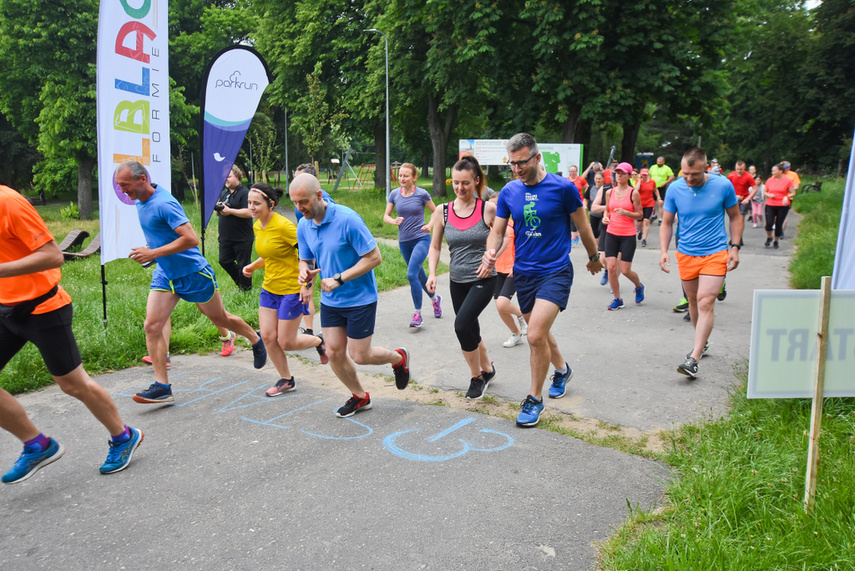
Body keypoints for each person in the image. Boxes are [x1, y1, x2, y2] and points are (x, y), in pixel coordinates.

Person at [0, 186, 143, 483]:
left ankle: (124, 436)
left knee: (74, 385)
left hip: (44, 307)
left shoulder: (8, 203)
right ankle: (37, 445)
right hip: (5, 309)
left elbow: (53, 256)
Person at [115, 161, 268, 404]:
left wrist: (153, 253)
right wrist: (153, 251)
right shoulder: (140, 199)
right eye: (119, 186)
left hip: (193, 273)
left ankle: (255, 339)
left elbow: (191, 239)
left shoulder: (164, 203)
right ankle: (162, 386)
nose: (122, 190)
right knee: (152, 326)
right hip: (166, 273)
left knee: (221, 319)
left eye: (125, 185)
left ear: (142, 179)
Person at [478, 133, 604, 427]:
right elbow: (497, 230)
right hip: (525, 273)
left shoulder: (563, 188)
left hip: (555, 271)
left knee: (534, 335)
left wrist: (594, 257)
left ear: (537, 157)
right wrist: (490, 253)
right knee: (541, 333)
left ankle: (534, 399)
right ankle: (562, 370)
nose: (517, 169)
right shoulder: (509, 192)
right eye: (512, 164)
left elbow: (583, 226)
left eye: (522, 162)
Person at [289, 173, 410, 417]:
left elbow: (375, 257)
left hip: (360, 298)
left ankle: (398, 359)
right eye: (295, 202)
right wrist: (305, 275)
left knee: (360, 355)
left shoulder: (348, 220)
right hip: (331, 300)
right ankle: (360, 396)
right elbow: (305, 258)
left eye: (303, 202)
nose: (299, 208)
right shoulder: (304, 224)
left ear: (319, 196)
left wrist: (340, 278)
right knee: (333, 351)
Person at [659, 147, 743, 379]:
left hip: (715, 252)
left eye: (693, 174)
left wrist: (735, 247)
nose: (689, 178)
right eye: (685, 173)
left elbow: (735, 216)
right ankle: (702, 342)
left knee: (706, 302)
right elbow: (666, 223)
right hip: (686, 253)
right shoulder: (675, 188)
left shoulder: (723, 185)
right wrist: (664, 251)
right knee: (693, 302)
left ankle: (693, 358)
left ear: (706, 168)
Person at [242, 183, 330, 397]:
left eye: (256, 203)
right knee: (269, 337)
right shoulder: (257, 226)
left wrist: (306, 284)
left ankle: (319, 340)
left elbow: (308, 255)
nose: (251, 207)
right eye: (249, 203)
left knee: (287, 342)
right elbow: (272, 254)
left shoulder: (285, 227)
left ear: (270, 204)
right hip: (269, 289)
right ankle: (286, 379)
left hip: (292, 289)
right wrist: (254, 266)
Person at [427, 156, 498, 400]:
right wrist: (432, 273)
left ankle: (476, 377)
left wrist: (491, 255)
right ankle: (488, 369)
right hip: (456, 280)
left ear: (476, 181)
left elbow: (502, 237)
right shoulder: (442, 211)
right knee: (470, 326)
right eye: (455, 182)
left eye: (465, 183)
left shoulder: (487, 209)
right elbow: (435, 246)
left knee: (461, 325)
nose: (460, 188)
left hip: (484, 277)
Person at [383, 163, 442, 328]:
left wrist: (429, 226)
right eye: (400, 175)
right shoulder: (394, 194)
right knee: (420, 275)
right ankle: (435, 300)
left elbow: (435, 211)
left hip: (421, 239)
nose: (402, 178)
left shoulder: (422, 194)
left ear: (414, 178)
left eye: (406, 175)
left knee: (411, 275)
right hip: (404, 242)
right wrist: (393, 221)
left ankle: (417, 314)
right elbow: (385, 216)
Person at [292, 163, 335, 337]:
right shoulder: (299, 199)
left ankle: (328, 331)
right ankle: (309, 330)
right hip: (308, 245)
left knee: (309, 286)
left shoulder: (323, 199)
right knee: (305, 288)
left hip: (321, 249)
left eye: (299, 178)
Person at [603, 162, 645, 310]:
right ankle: (617, 298)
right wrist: (605, 217)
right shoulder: (610, 192)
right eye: (617, 172)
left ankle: (639, 286)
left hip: (628, 234)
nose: (619, 175)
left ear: (628, 175)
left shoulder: (633, 193)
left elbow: (640, 214)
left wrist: (627, 213)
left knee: (625, 270)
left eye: (622, 173)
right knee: (612, 267)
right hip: (612, 233)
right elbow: (607, 210)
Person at [216, 165, 254, 291]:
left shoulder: (245, 193)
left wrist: (230, 211)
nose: (225, 179)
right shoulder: (224, 193)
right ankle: (241, 282)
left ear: (237, 176)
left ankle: (246, 289)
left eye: (228, 176)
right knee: (224, 261)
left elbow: (249, 212)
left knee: (244, 264)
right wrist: (218, 208)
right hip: (226, 237)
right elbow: (218, 213)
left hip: (242, 237)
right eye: (224, 176)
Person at [492, 220, 528, 348]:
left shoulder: (514, 224)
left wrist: (517, 265)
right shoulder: (487, 223)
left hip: (512, 269)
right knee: (499, 305)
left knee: (502, 303)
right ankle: (516, 334)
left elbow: (523, 245)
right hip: (496, 269)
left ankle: (522, 316)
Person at [764, 163, 796, 249]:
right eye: (772, 170)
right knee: (769, 223)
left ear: (780, 171)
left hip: (782, 205)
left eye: (774, 170)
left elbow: (793, 192)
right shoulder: (770, 180)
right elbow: (765, 191)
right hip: (770, 204)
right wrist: (769, 195)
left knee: (779, 223)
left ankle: (776, 240)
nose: (772, 172)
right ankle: (769, 237)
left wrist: (787, 196)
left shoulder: (787, 181)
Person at [634, 168, 661, 247]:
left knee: (646, 221)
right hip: (640, 204)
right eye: (643, 175)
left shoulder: (652, 182)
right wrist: (639, 179)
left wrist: (658, 198)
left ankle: (644, 239)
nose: (644, 177)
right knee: (639, 222)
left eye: (646, 175)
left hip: (649, 203)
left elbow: (655, 190)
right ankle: (641, 231)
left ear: (648, 175)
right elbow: (636, 189)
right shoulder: (638, 182)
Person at [727, 160, 757, 228]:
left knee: (740, 219)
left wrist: (748, 199)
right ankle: (733, 237)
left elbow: (755, 189)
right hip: (734, 199)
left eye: (741, 169)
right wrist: (734, 196)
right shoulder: (731, 175)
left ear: (744, 168)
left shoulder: (748, 176)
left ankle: (739, 237)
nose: (739, 171)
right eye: (737, 169)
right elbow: (727, 188)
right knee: (733, 219)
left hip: (744, 199)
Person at [649, 156, 675, 223]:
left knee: (660, 203)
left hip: (661, 187)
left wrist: (665, 183)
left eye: (660, 162)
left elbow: (672, 176)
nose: (659, 163)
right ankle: (653, 215)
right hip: (653, 187)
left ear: (663, 162)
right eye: (658, 162)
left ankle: (660, 218)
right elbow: (649, 175)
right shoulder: (653, 167)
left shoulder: (667, 168)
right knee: (652, 202)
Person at [780, 161, 801, 238]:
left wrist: (789, 189)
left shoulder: (793, 175)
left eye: (786, 168)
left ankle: (781, 231)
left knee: (784, 214)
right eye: (783, 168)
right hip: (777, 197)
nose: (785, 170)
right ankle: (778, 229)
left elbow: (796, 186)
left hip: (788, 197)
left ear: (789, 168)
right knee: (776, 215)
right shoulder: (778, 174)